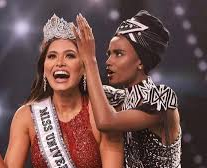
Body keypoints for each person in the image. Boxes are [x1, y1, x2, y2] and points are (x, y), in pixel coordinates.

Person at [0, 14, 124, 168]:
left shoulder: (102, 116)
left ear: (83, 68)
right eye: (52, 56)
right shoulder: (26, 117)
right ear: (44, 68)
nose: (59, 63)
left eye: (69, 56)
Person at [73, 11, 181, 167]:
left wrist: (90, 59)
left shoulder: (162, 98)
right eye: (109, 54)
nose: (108, 61)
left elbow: (106, 121)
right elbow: (73, 88)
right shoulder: (118, 97)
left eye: (118, 54)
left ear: (141, 61)